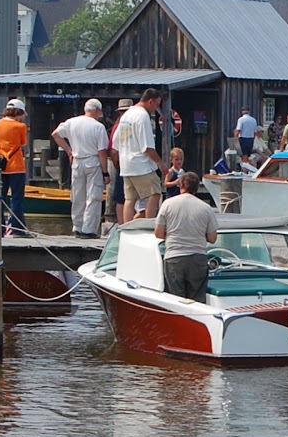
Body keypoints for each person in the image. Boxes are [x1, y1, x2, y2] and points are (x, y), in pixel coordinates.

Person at [53, 98, 111, 238]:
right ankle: (89, 229)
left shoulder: (72, 122)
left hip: (77, 161)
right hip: (93, 162)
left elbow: (56, 134)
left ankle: (77, 226)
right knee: (93, 196)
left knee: (78, 195)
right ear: (97, 110)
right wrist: (105, 172)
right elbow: (102, 152)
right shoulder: (98, 127)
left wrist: (68, 150)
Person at [156, 172, 218, 302]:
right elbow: (212, 238)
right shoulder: (206, 208)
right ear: (196, 188)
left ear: (181, 185)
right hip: (198, 257)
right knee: (197, 302)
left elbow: (158, 233)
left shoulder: (167, 204)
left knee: (175, 301)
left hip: (174, 257)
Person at [114, 89, 170, 223]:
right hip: (140, 164)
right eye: (156, 105)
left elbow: (116, 143)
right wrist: (160, 163)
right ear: (150, 101)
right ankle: (150, 224)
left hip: (126, 164)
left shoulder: (126, 115)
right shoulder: (142, 116)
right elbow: (147, 147)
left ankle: (126, 227)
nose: (156, 108)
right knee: (155, 192)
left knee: (130, 198)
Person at [0, 99, 32, 237]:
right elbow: (23, 142)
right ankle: (17, 229)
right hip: (16, 166)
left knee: (0, 197)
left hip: (0, 164)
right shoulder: (20, 126)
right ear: (19, 112)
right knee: (16, 198)